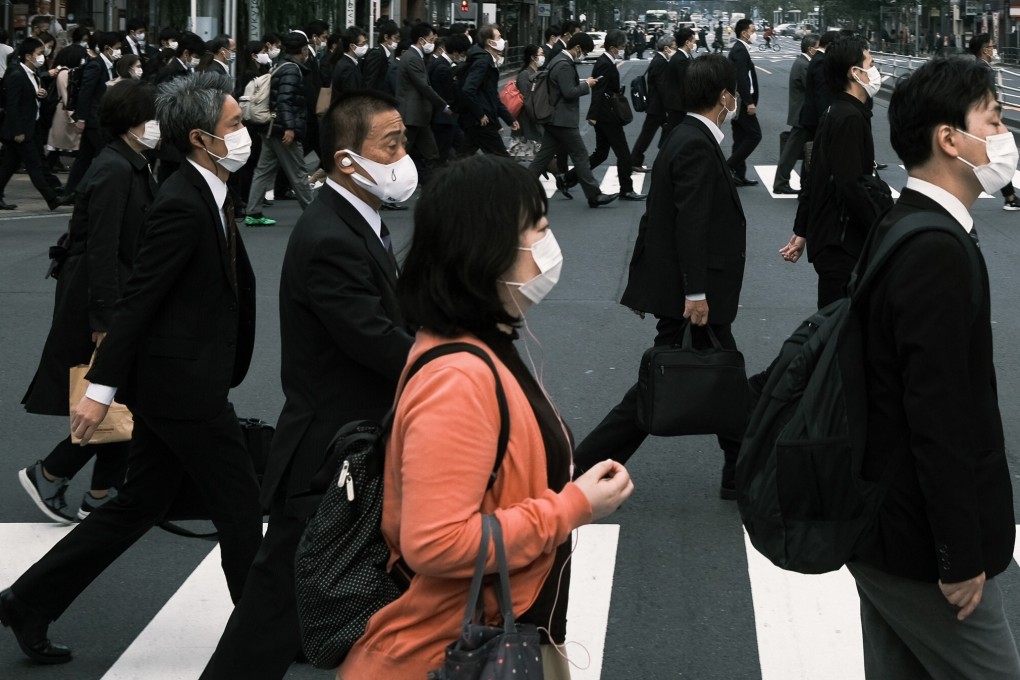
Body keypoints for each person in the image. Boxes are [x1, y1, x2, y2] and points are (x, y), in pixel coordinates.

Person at [337, 153, 634, 679]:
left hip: (499, 625)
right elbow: (435, 542)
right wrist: (572, 507)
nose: (549, 246)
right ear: (489, 248)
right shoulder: (459, 378)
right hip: (460, 645)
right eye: (539, 229)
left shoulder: (479, 343)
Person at [0, 71, 262, 665]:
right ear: (202, 139)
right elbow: (140, 298)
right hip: (182, 389)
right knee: (241, 507)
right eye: (236, 124)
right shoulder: (180, 202)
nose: (245, 133)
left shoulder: (207, 190)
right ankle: (262, 633)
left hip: (184, 379)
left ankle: (30, 600)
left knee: (139, 503)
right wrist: (99, 389)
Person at [202, 89, 416, 680]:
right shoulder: (330, 239)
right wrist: (456, 367)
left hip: (350, 447)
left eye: (403, 140)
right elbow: (377, 339)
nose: (404, 155)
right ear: (348, 160)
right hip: (327, 458)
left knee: (295, 606)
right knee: (268, 617)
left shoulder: (358, 220)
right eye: (390, 144)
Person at [845, 55, 1020, 679]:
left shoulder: (904, 223)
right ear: (949, 138)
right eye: (994, 121)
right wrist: (957, 554)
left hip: (884, 528)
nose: (1005, 137)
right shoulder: (936, 250)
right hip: (916, 541)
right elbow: (938, 416)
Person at [571, 54, 746, 499]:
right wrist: (695, 291)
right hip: (693, 293)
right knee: (666, 383)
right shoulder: (694, 143)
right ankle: (579, 469)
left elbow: (658, 218)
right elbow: (690, 223)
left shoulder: (684, 136)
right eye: (734, 90)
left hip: (687, 289)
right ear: (724, 96)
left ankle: (740, 468)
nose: (737, 97)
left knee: (717, 377)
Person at [18, 79, 158, 525]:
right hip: (99, 295)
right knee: (112, 391)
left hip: (109, 291)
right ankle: (53, 473)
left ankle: (99, 491)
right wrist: (105, 317)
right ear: (134, 123)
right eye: (151, 116)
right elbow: (102, 247)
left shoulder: (129, 162)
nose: (158, 125)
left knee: (122, 393)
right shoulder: (116, 170)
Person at [779, 36, 883, 309]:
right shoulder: (848, 117)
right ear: (855, 72)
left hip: (832, 239)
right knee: (839, 331)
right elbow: (850, 185)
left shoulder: (837, 110)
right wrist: (881, 230)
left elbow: (814, 177)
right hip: (843, 244)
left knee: (835, 326)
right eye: (871, 63)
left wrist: (802, 230)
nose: (876, 70)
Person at [529, 32, 618, 208]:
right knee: (581, 155)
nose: (583, 55)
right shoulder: (564, 65)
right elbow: (568, 92)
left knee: (542, 158)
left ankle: (517, 188)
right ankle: (594, 195)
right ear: (577, 48)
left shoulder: (558, 60)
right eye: (583, 51)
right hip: (562, 119)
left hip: (554, 118)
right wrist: (587, 85)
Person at [244, 31, 314, 226]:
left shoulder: (280, 65)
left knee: (263, 170)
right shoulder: (292, 69)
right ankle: (315, 213)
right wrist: (290, 128)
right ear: (303, 49)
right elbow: (285, 100)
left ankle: (253, 212)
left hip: (271, 127)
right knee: (299, 172)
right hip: (283, 129)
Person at [565, 30, 644, 201]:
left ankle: (568, 179)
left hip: (605, 113)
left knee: (601, 153)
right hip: (607, 115)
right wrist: (592, 115)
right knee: (623, 153)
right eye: (622, 47)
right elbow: (598, 90)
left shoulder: (607, 61)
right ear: (614, 48)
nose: (624, 49)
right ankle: (626, 189)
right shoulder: (604, 63)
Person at [0, 38, 63, 211]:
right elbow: (12, 106)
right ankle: (52, 199)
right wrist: (18, 131)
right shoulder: (16, 74)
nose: (42, 57)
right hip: (21, 130)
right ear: (28, 56)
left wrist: (39, 94)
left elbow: (26, 97)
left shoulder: (31, 73)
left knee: (9, 165)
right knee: (34, 165)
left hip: (31, 126)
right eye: (39, 53)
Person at [62, 30, 122, 202]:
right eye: (117, 48)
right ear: (107, 48)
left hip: (97, 118)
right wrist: (81, 119)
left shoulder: (109, 66)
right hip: (93, 119)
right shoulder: (96, 65)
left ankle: (71, 192)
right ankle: (83, 191)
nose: (119, 51)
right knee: (104, 155)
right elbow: (86, 92)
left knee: (84, 157)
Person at [396, 23, 453, 185]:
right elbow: (424, 86)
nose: (433, 43)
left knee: (431, 153)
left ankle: (431, 186)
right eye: (431, 39)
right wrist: (443, 105)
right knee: (402, 155)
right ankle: (390, 191)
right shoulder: (412, 58)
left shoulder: (416, 57)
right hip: (412, 115)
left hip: (419, 115)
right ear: (421, 40)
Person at [968, 33, 1018, 212]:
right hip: (986, 118)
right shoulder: (984, 69)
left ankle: (1010, 197)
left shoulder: (974, 66)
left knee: (995, 157)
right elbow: (988, 96)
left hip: (976, 117)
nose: (993, 48)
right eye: (991, 45)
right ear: (984, 50)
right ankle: (1010, 198)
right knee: (1000, 156)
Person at [457, 24, 518, 157]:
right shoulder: (483, 61)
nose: (502, 41)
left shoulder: (485, 60)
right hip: (482, 120)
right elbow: (468, 89)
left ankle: (449, 176)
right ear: (490, 42)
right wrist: (480, 114)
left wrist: (508, 118)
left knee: (463, 157)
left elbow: (491, 95)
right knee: (502, 159)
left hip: (477, 119)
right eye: (499, 37)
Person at [773, 33, 818, 195]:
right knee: (791, 152)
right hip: (801, 115)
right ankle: (780, 183)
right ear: (811, 49)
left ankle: (796, 182)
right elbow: (813, 87)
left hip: (802, 115)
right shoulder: (804, 64)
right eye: (818, 47)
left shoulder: (802, 62)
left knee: (800, 150)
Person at [629, 34, 673, 172]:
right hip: (658, 106)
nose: (675, 49)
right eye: (674, 47)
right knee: (648, 134)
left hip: (656, 105)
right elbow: (663, 87)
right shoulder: (661, 62)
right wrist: (668, 106)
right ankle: (636, 160)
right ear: (666, 48)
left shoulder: (658, 59)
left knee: (663, 130)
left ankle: (641, 159)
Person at [727, 19, 761, 186]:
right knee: (755, 135)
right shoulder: (740, 51)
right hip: (741, 102)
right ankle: (728, 167)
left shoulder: (740, 49)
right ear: (744, 33)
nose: (755, 34)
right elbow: (741, 79)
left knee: (740, 138)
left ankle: (739, 176)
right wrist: (749, 102)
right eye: (753, 30)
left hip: (737, 101)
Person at [429, 34, 470, 164]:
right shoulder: (443, 68)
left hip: (444, 117)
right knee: (442, 153)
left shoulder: (439, 63)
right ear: (457, 52)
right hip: (444, 117)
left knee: (454, 149)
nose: (462, 56)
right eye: (462, 53)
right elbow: (447, 94)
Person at [46, 44, 86, 168]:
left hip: (66, 113)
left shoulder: (71, 72)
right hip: (65, 114)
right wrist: (73, 117)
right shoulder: (65, 73)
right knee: (60, 146)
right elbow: (67, 97)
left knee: (59, 147)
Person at [661, 27, 696, 140]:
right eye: (693, 41)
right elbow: (685, 82)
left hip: (679, 104)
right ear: (687, 42)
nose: (694, 44)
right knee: (674, 135)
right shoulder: (680, 60)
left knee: (675, 134)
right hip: (678, 105)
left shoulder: (683, 57)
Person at [510, 44, 544, 160]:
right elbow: (527, 99)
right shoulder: (525, 75)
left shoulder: (536, 72)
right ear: (533, 57)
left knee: (523, 154)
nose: (543, 57)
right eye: (541, 54)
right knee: (520, 154)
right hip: (527, 121)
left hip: (532, 120)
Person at [329, 26, 367, 107]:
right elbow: (351, 98)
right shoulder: (348, 68)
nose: (365, 47)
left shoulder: (345, 62)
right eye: (362, 44)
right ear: (352, 46)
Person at [363, 20, 400, 94]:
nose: (397, 41)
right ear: (386, 37)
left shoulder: (384, 54)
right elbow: (370, 81)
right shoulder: (377, 54)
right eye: (395, 38)